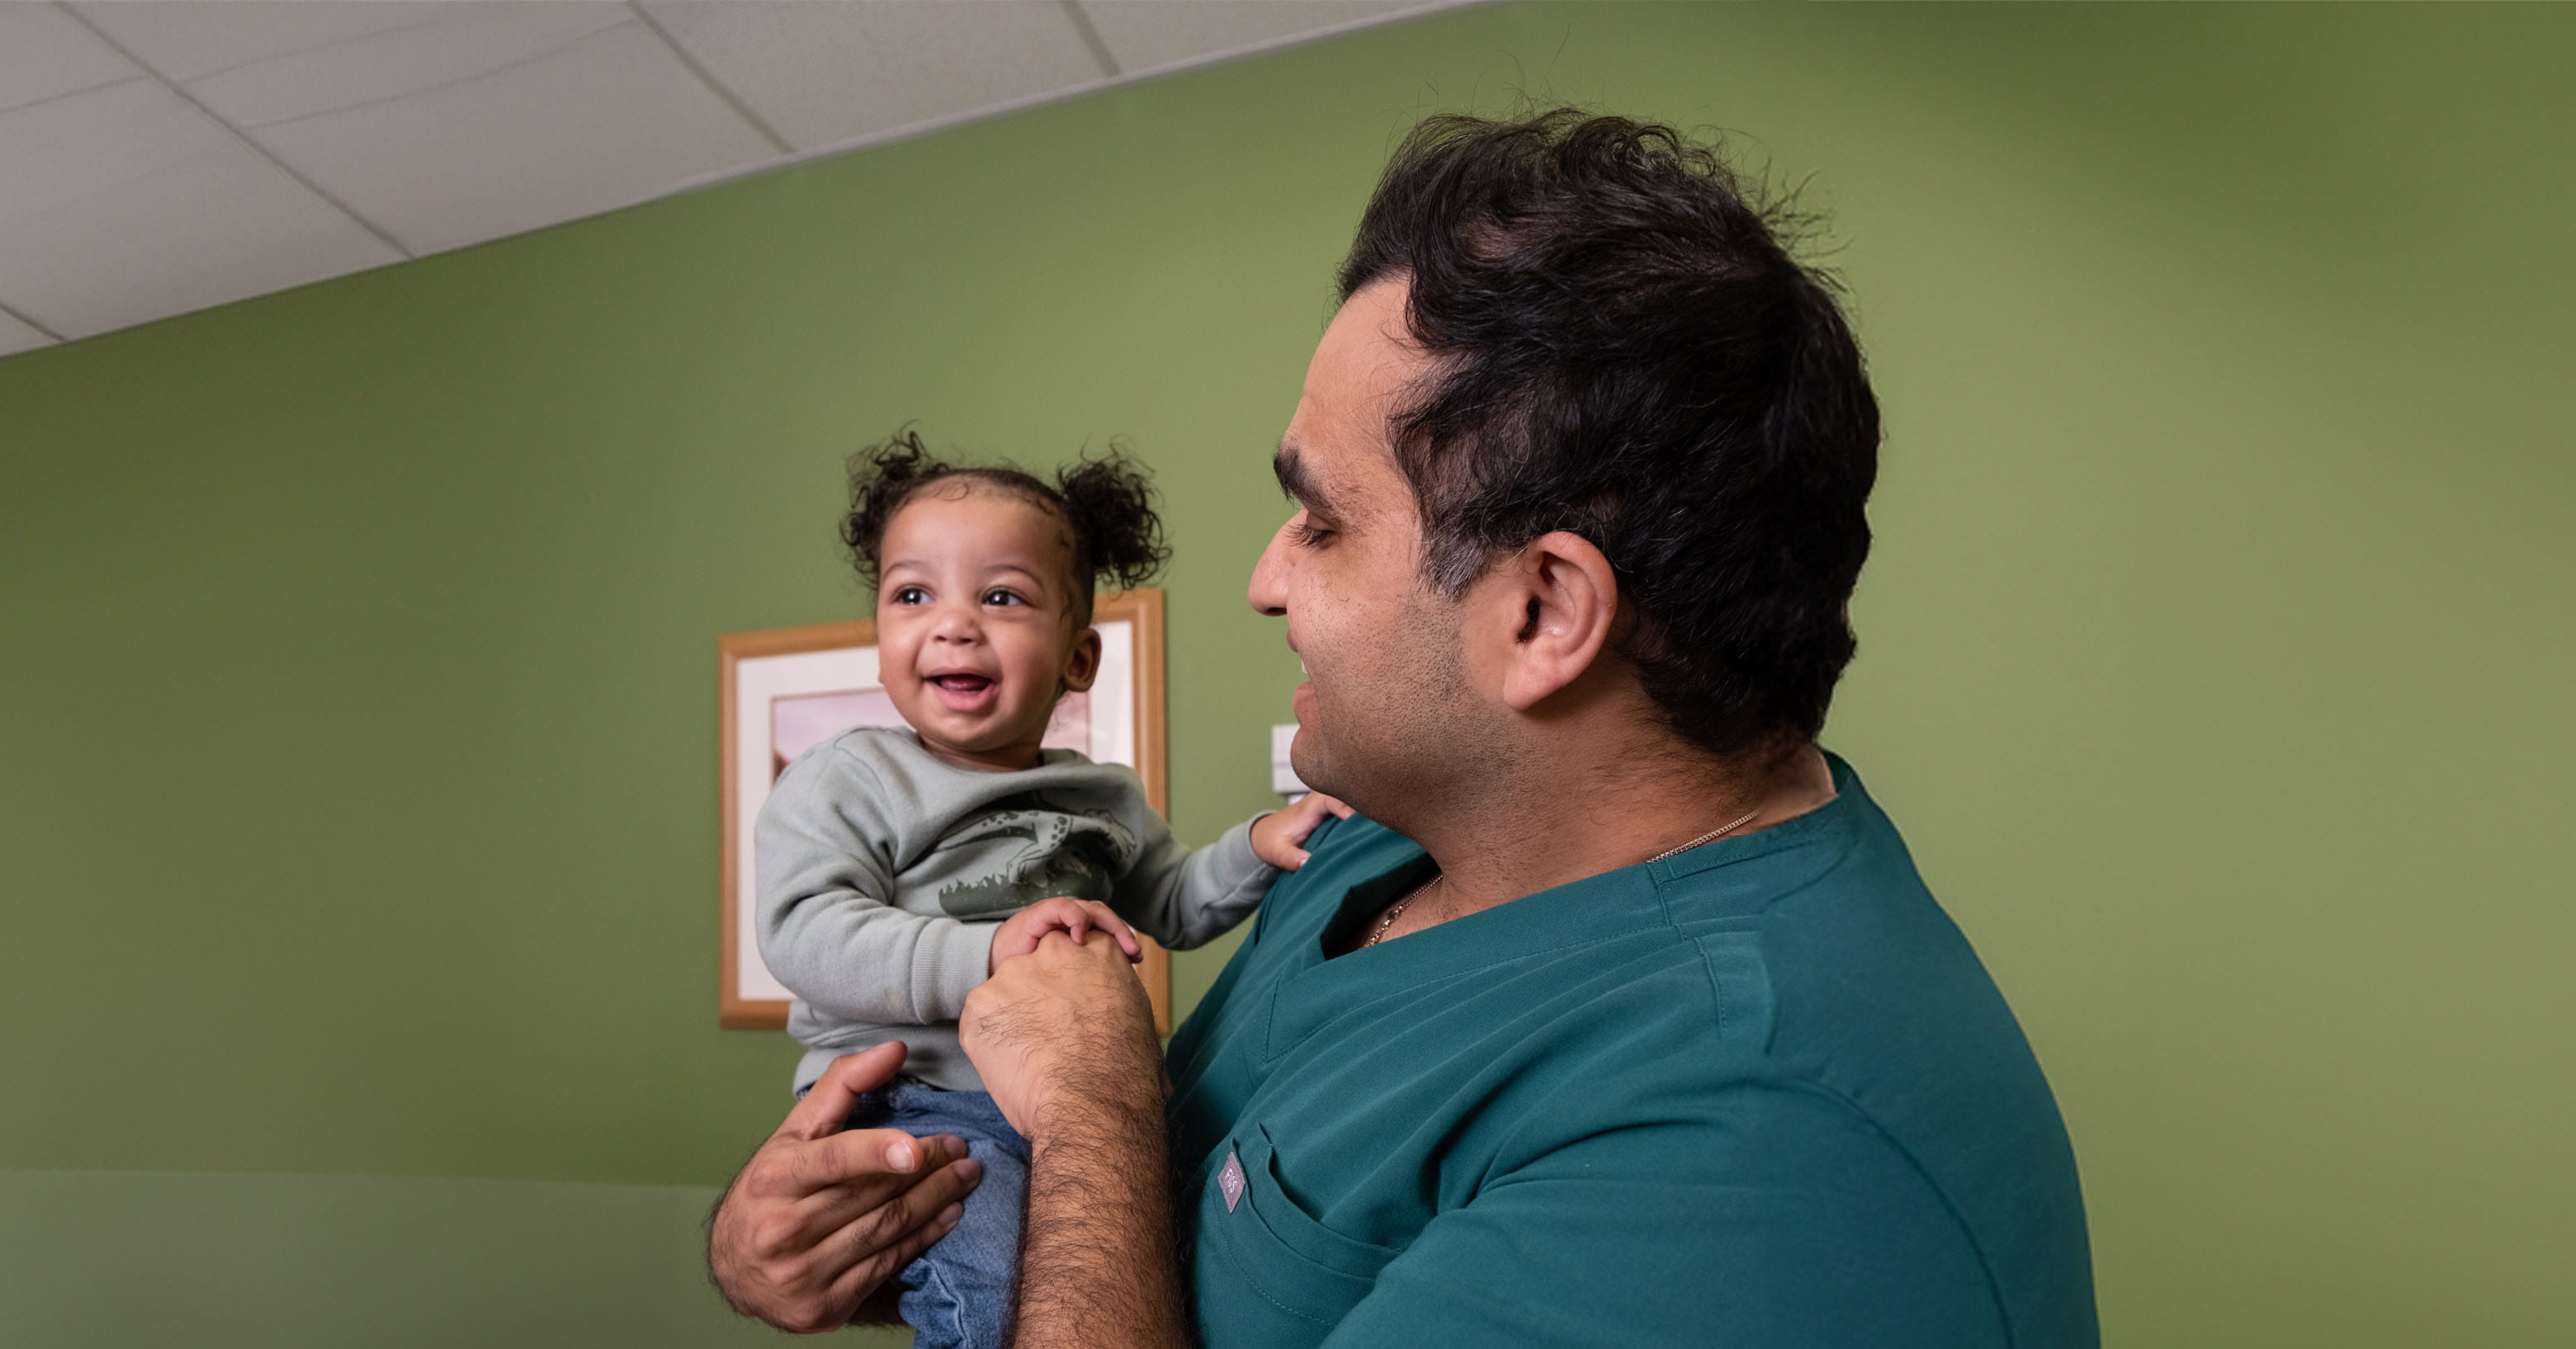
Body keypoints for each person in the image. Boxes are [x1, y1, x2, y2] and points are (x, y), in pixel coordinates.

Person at [710, 111, 2097, 1347]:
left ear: (1544, 613)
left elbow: (1105, 1160)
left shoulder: (1759, 1149)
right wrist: (829, 1241)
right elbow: (1137, 1241)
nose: (1263, 580)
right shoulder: (1377, 839)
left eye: (1320, 520)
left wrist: (1090, 1111)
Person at [747, 433, 1349, 1348]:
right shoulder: (850, 780)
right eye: (912, 594)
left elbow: (1173, 901)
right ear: (878, 642)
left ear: (1077, 661)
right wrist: (987, 951)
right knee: (996, 1299)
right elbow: (804, 932)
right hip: (918, 1099)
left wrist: (1260, 847)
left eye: (1000, 596)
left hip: (1072, 1102)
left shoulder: (1097, 795)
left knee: (1144, 1276)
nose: (953, 624)